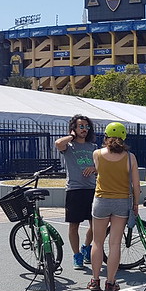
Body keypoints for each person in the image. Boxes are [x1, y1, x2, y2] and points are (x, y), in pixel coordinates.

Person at [88, 122, 140, 291]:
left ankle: (95, 280)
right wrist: (135, 205)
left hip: (101, 200)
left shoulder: (97, 154)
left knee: (97, 241)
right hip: (122, 201)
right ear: (124, 137)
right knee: (115, 243)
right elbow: (136, 186)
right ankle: (110, 282)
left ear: (106, 136)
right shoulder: (130, 157)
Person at [54, 114, 97, 271]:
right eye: (81, 126)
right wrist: (71, 136)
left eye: (86, 126)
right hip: (75, 190)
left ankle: (86, 247)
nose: (84, 129)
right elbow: (58, 143)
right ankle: (77, 255)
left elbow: (101, 166)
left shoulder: (93, 147)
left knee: (95, 225)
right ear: (74, 128)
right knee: (74, 226)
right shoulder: (69, 147)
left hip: (92, 190)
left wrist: (94, 168)